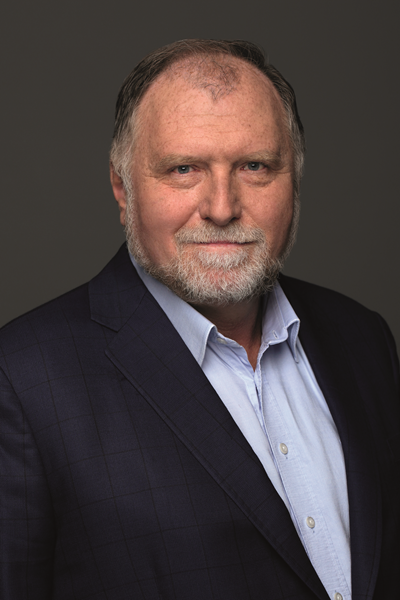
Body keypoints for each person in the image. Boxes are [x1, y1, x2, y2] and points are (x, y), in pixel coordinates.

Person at [0, 39, 399, 600]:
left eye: (255, 167)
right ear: (122, 188)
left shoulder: (363, 339)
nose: (221, 207)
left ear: (294, 180)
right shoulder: (22, 380)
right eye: (184, 169)